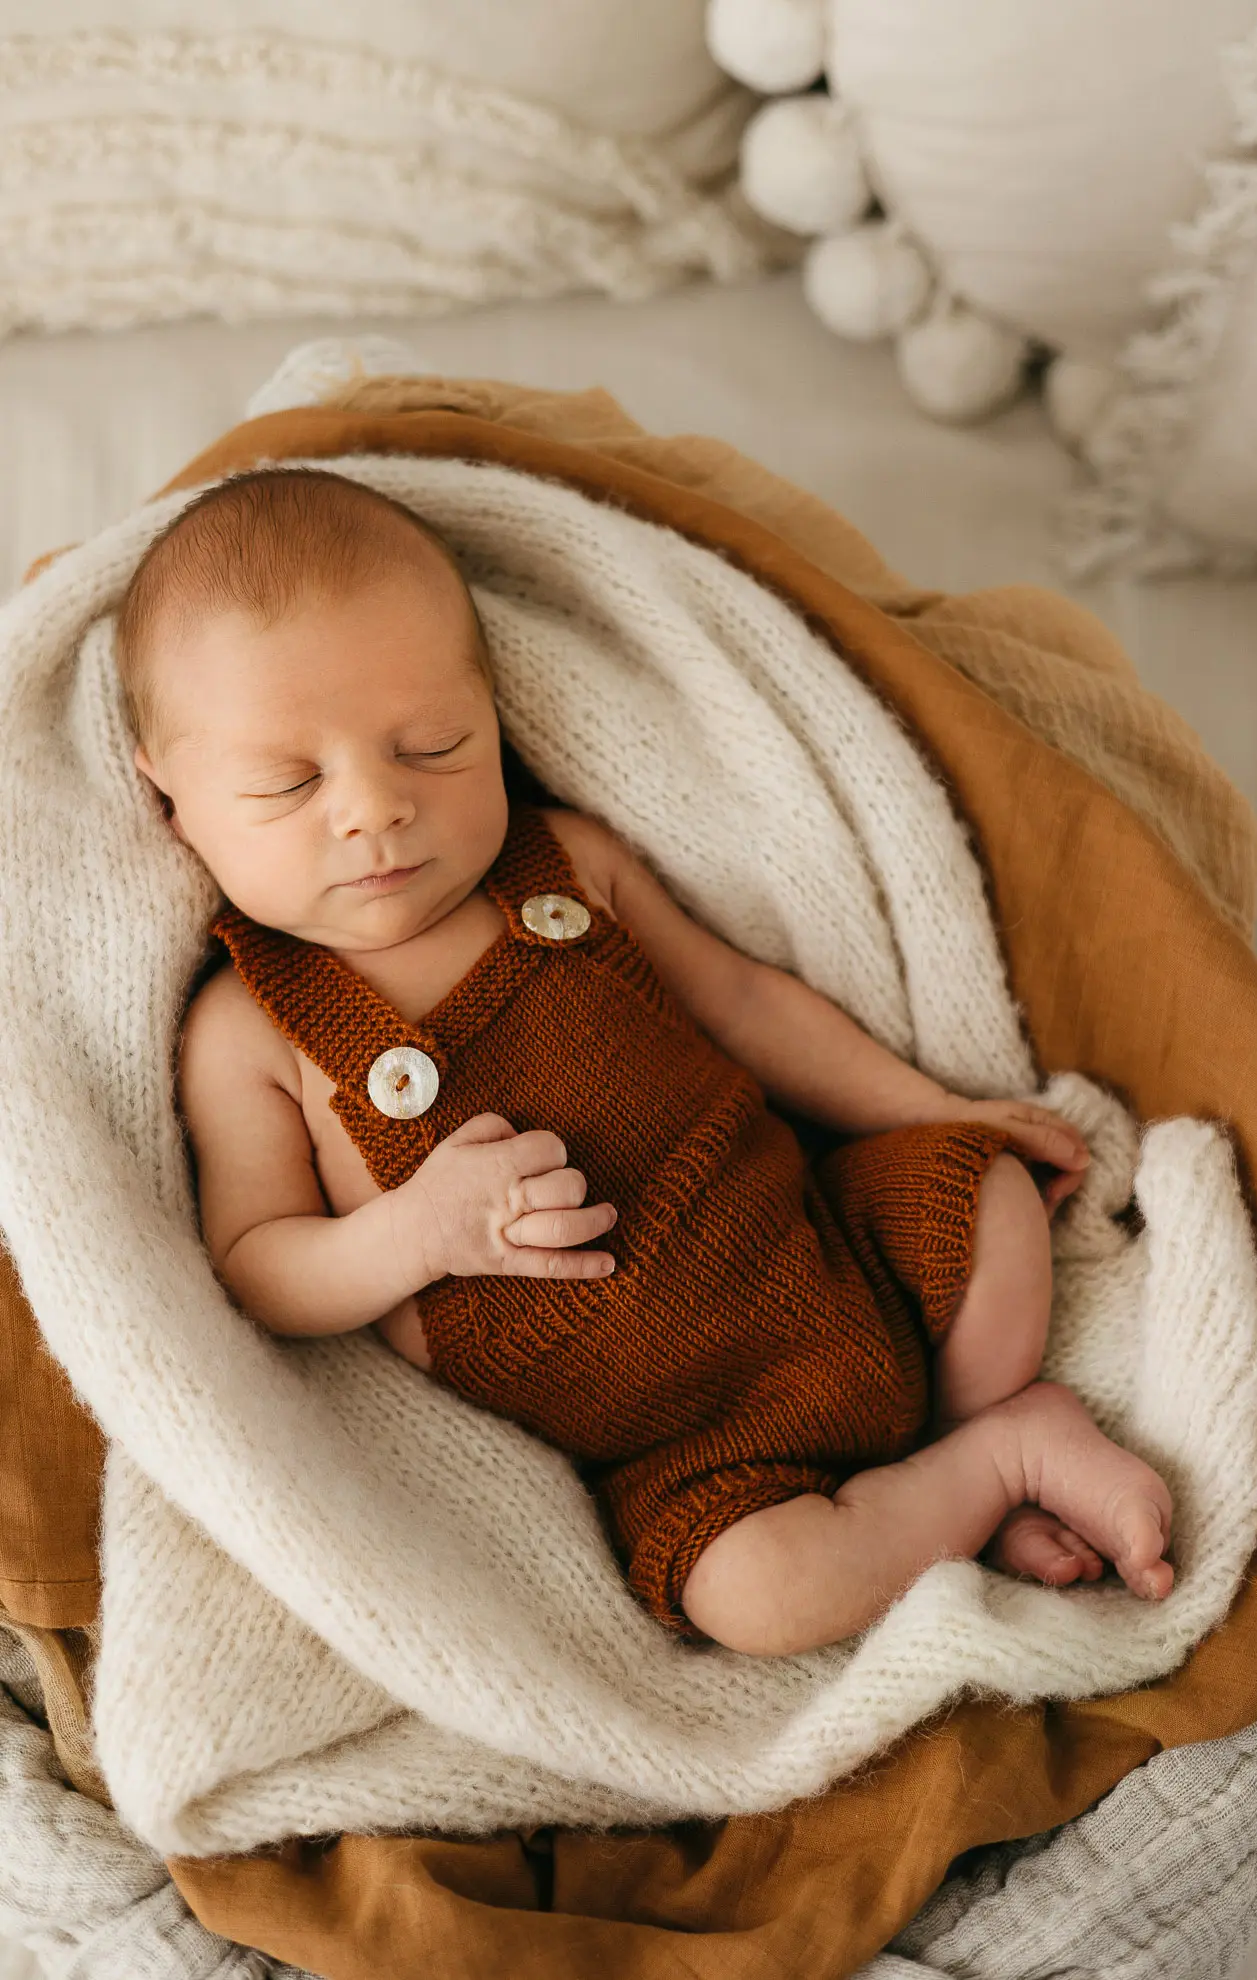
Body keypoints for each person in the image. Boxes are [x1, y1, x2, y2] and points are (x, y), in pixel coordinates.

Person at [121, 466, 1174, 1656]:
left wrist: (933, 1106)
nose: (374, 809)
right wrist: (413, 1235)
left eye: (433, 745)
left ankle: (955, 1456)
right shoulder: (254, 1030)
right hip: (691, 1446)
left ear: (494, 714)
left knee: (991, 1199)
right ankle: (997, 1464)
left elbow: (747, 1004)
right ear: (170, 797)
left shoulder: (565, 868)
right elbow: (257, 1264)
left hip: (826, 1242)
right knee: (762, 1596)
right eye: (288, 783)